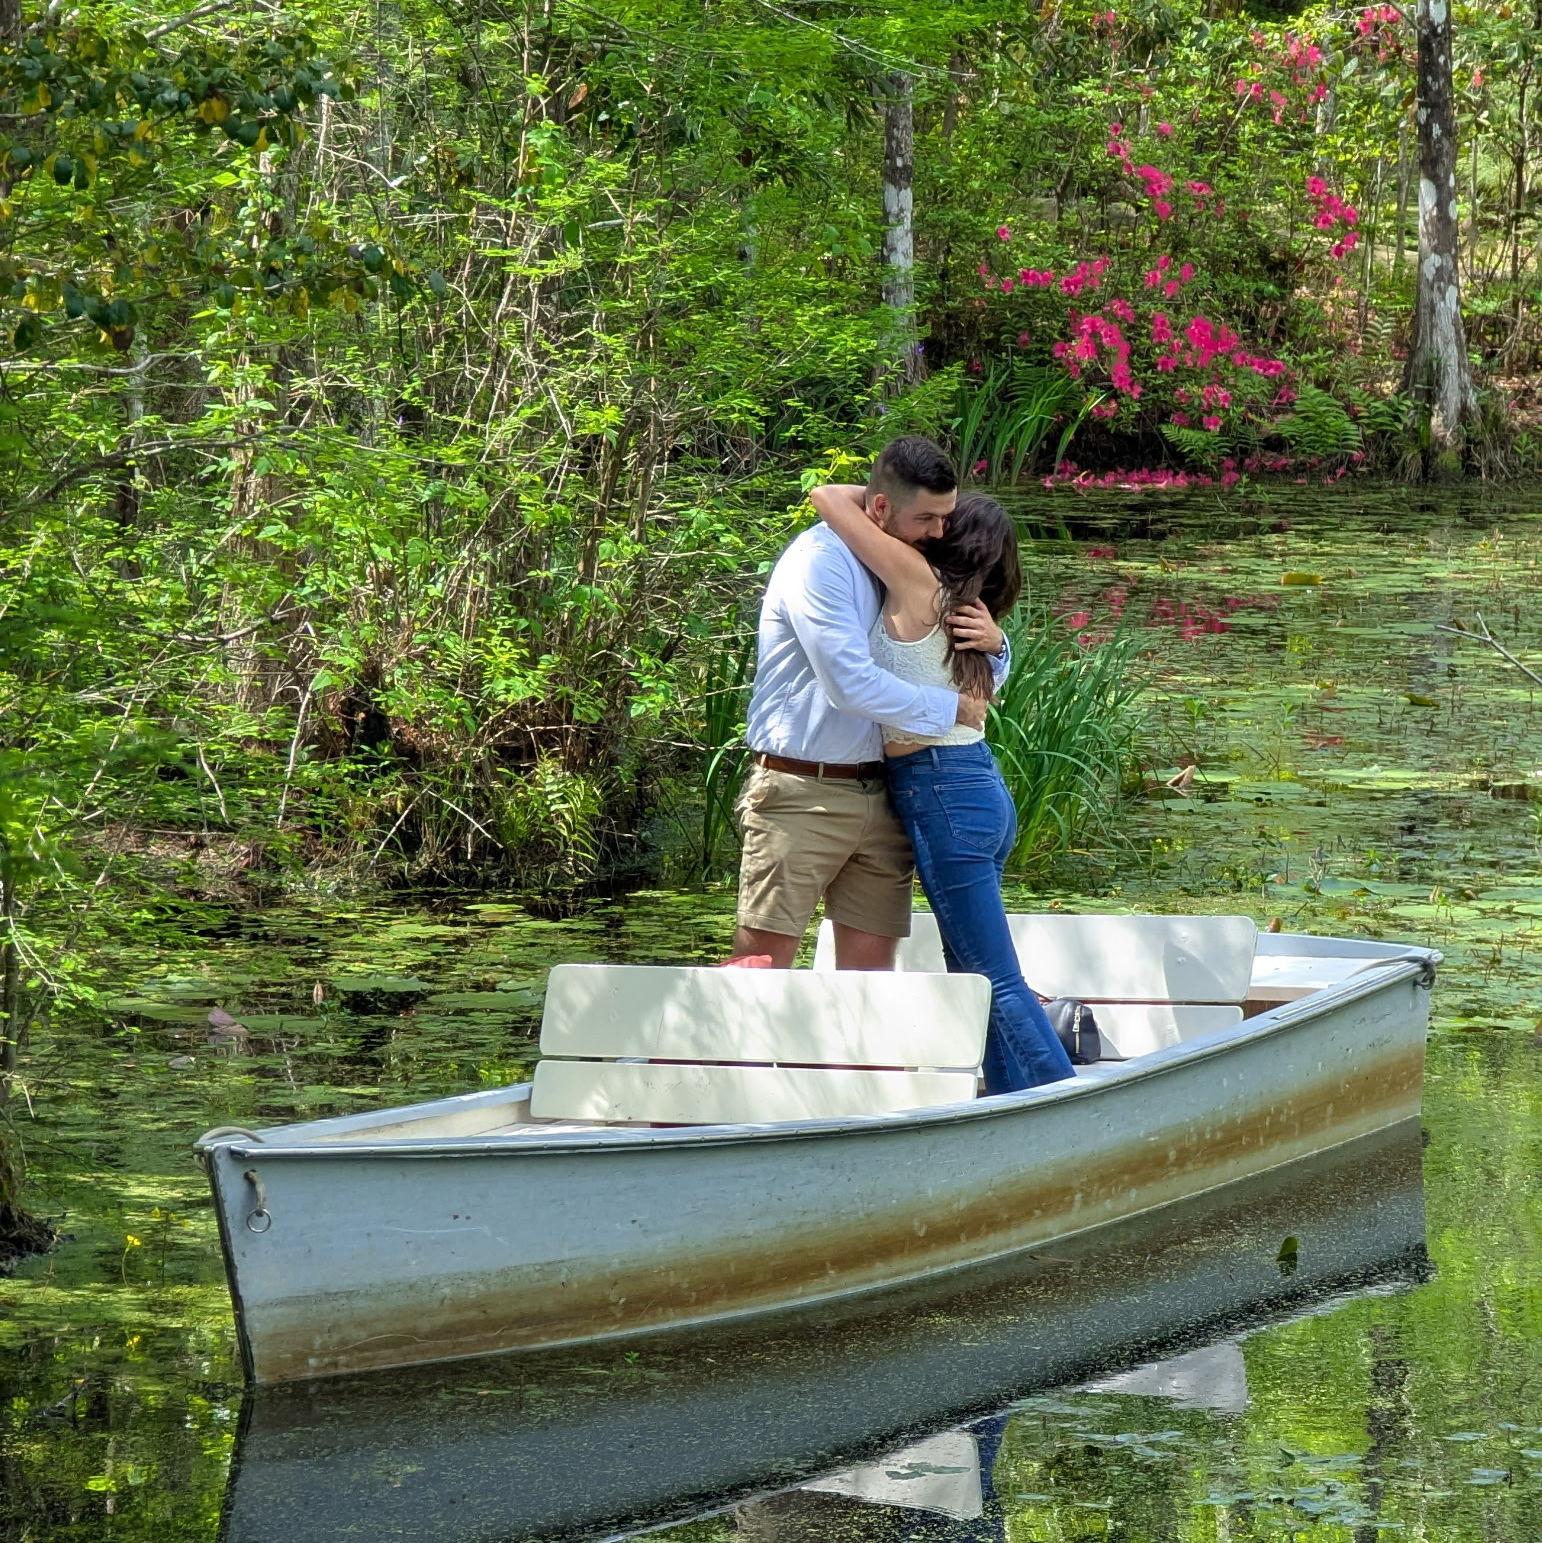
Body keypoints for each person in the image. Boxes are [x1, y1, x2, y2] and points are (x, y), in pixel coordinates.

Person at [807, 481, 1075, 1092]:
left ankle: (1060, 1101)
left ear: (954, 535)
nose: (929, 528)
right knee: (971, 972)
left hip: (943, 791)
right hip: (972, 786)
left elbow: (827, 497)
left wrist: (893, 497)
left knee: (993, 978)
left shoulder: (920, 583)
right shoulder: (970, 612)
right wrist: (1002, 644)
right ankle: (1015, 1099)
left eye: (943, 521)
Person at [730, 436, 1012, 972]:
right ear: (879, 508)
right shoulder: (820, 563)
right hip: (801, 792)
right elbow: (849, 684)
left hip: (884, 795)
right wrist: (950, 708)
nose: (940, 532)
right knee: (760, 972)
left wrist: (998, 647)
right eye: (927, 518)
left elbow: (949, 654)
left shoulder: (905, 564)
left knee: (870, 991)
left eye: (945, 517)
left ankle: (850, 1061)